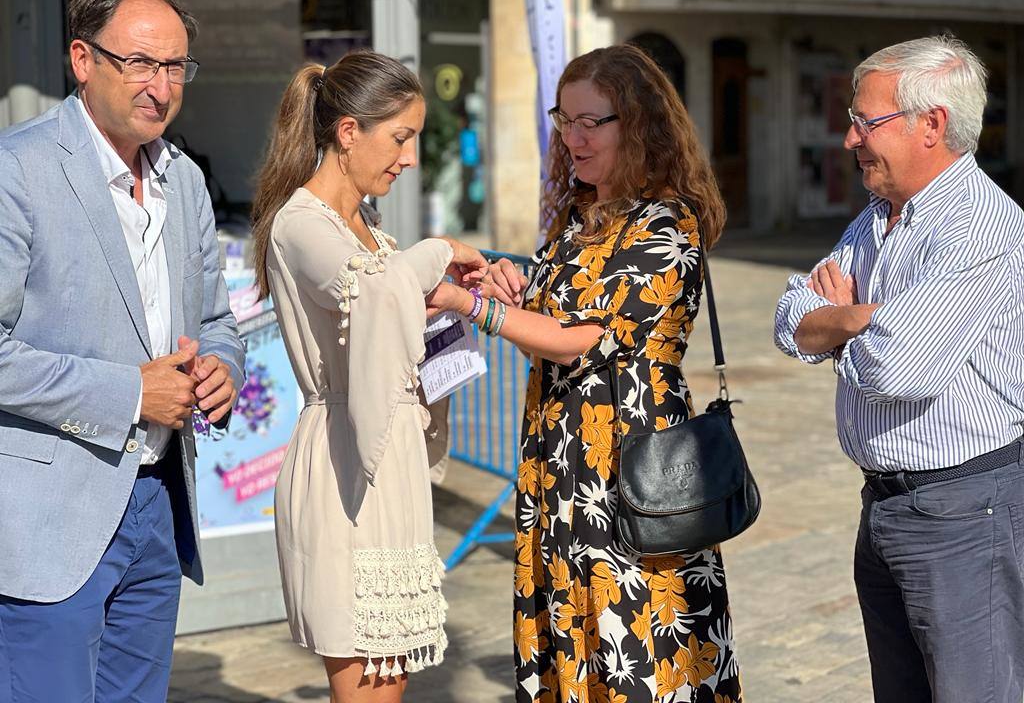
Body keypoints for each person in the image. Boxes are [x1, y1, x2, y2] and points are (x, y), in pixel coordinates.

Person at [427, 44, 744, 702]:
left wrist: (473, 306)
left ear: (638, 125)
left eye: (590, 121)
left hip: (633, 472)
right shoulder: (579, 221)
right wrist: (505, 294)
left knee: (644, 656)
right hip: (560, 470)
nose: (571, 136)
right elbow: (542, 347)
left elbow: (577, 344)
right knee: (574, 651)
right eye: (563, 119)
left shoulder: (667, 223)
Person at [0, 0, 245, 703]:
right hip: (50, 519)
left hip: (158, 502)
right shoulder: (19, 170)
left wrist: (221, 370)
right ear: (83, 60)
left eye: (175, 67)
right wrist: (130, 391)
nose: (160, 86)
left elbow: (216, 322)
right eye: (139, 62)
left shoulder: (186, 181)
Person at [774, 35, 1024, 703]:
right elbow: (789, 315)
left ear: (931, 125)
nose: (849, 138)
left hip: (963, 512)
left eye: (865, 121)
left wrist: (842, 322)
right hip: (884, 507)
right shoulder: (879, 217)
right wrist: (858, 316)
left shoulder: (978, 226)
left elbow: (897, 365)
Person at [250, 50, 489, 703]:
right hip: (343, 466)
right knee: (367, 693)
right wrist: (439, 253)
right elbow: (381, 296)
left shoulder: (367, 226)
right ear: (348, 131)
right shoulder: (302, 225)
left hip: (383, 463)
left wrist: (443, 288)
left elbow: (389, 302)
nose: (408, 158)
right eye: (401, 138)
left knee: (389, 687)